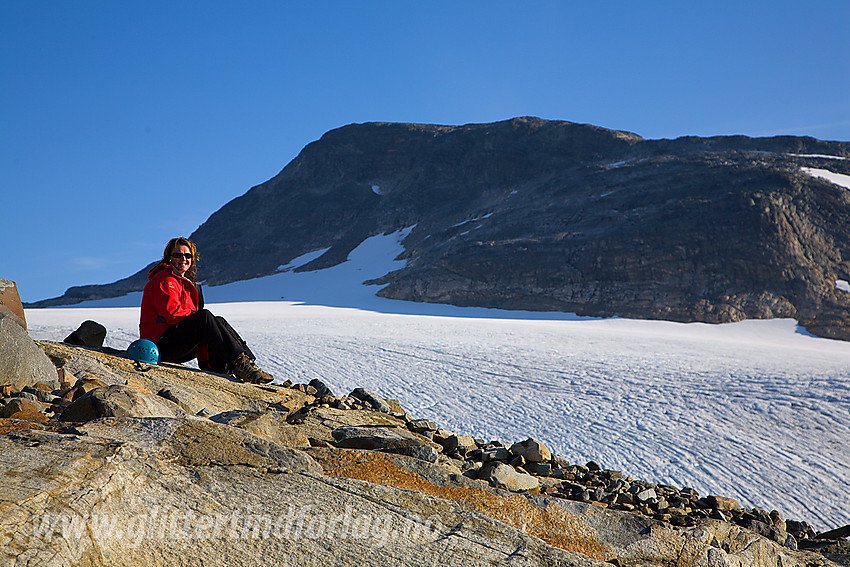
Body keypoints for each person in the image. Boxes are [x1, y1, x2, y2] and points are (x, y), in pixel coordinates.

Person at [139, 237, 273, 384]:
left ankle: (245, 363)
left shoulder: (185, 282)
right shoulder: (165, 279)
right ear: (169, 258)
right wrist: (198, 319)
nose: (183, 259)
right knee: (204, 317)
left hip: (175, 341)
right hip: (158, 346)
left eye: (187, 255)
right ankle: (241, 365)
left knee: (218, 320)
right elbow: (172, 313)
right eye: (178, 255)